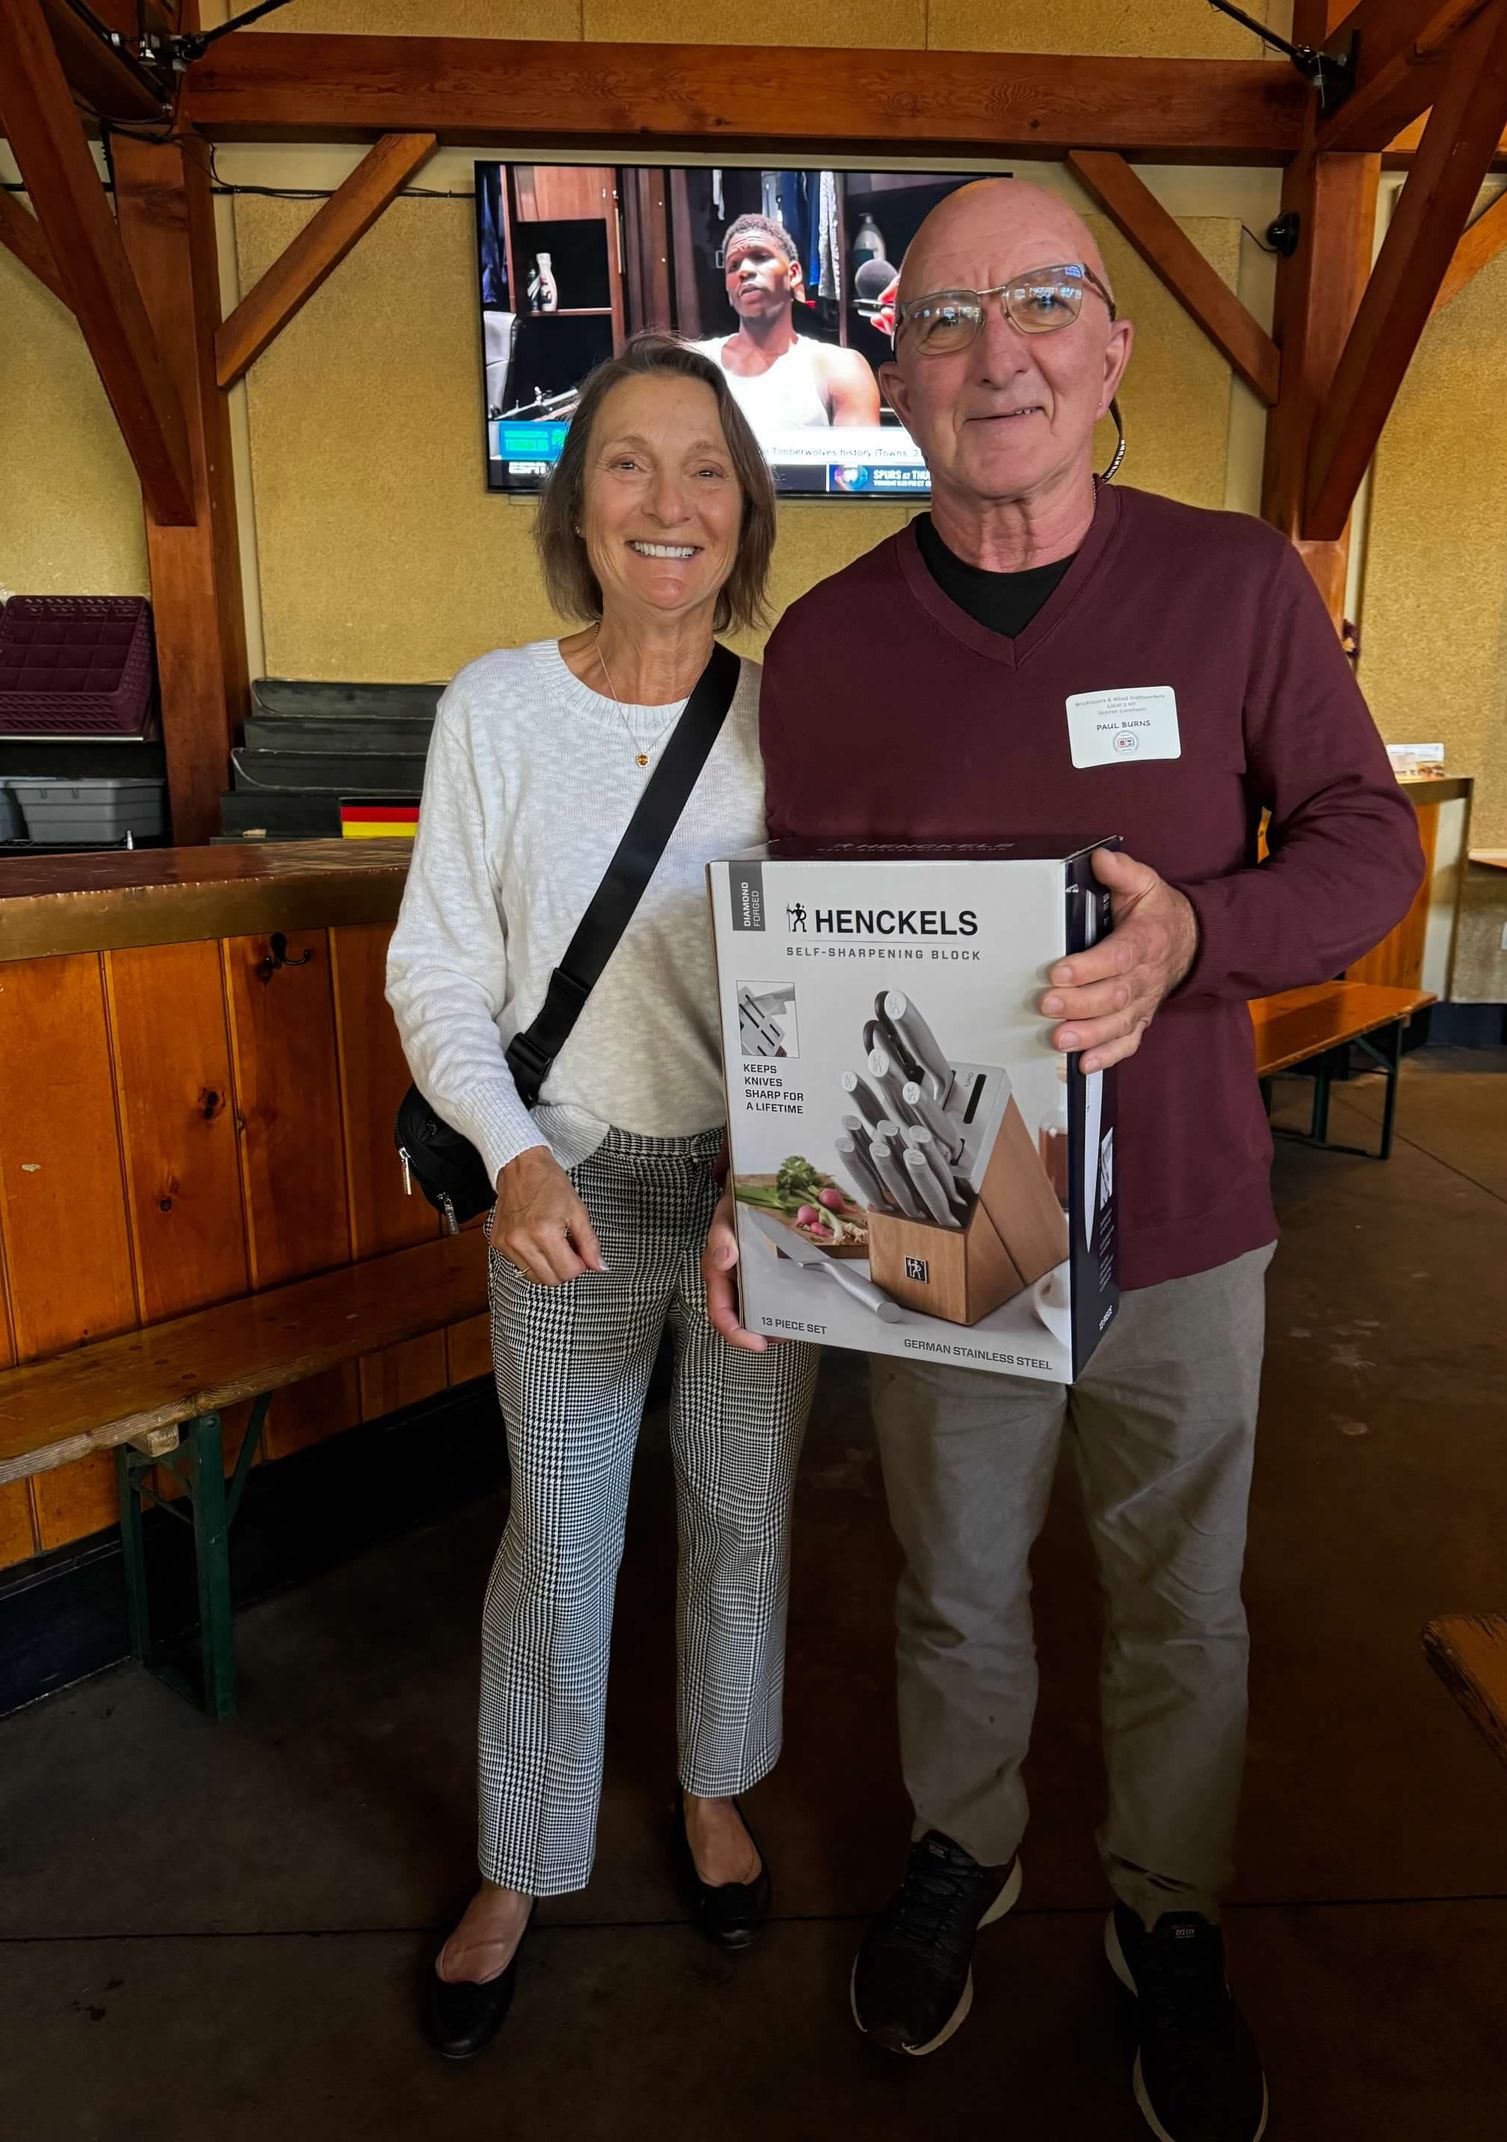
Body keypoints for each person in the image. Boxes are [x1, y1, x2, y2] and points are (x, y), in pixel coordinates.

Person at [702, 180, 1423, 2142]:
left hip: (1179, 1219)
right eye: (944, 318)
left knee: (1180, 1594)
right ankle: (966, 1844)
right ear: (897, 374)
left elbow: (1365, 841)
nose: (994, 354)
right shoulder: (830, 647)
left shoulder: (1232, 587)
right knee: (952, 1581)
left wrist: (1198, 934)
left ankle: (1167, 1910)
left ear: (1109, 350)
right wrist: (769, 1189)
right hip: (940, 1225)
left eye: (1038, 305)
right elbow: (801, 964)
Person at [387, 333, 819, 2060]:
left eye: (706, 468)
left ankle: (713, 1785)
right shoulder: (495, 708)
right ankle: (520, 1857)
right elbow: (437, 968)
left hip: (754, 1194)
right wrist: (512, 1156)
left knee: (741, 1511)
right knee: (559, 1538)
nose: (668, 501)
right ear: (577, 506)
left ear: (744, 512)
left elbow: (832, 969)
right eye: (628, 462)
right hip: (558, 1183)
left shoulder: (790, 720)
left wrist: (773, 1175)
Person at [690, 212, 881, 435]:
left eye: (760, 257)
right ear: (728, 289)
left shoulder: (841, 369)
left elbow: (857, 458)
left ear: (793, 274)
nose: (744, 271)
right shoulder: (694, 363)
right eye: (733, 266)